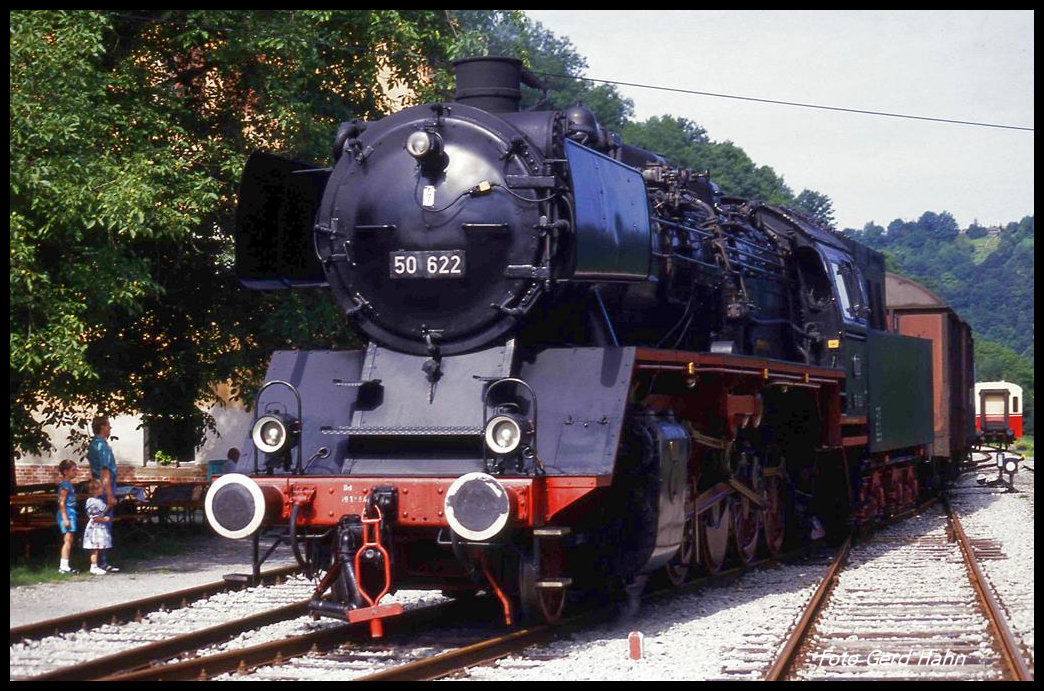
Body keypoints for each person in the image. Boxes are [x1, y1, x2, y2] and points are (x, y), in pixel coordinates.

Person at [86, 416, 120, 571]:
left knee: (99, 525)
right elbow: (105, 471)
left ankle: (99, 561)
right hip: (105, 487)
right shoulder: (102, 446)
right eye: (108, 426)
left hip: (97, 486)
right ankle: (102, 561)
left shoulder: (93, 445)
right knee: (104, 525)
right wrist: (110, 494)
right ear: (102, 427)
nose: (110, 428)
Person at [83, 478, 114, 575]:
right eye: (101, 488)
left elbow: (102, 511)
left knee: (99, 546)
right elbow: (95, 517)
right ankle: (94, 566)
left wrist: (109, 505)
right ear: (94, 490)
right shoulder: (92, 502)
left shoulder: (98, 501)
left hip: (100, 527)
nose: (102, 490)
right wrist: (105, 519)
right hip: (95, 528)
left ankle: (100, 564)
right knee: (95, 547)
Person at [56, 460, 80, 574]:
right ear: (65, 472)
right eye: (73, 470)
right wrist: (65, 518)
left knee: (70, 539)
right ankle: (64, 565)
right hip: (67, 513)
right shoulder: (65, 485)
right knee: (67, 540)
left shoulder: (69, 485)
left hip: (71, 512)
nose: (76, 472)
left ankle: (65, 564)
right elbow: (62, 502)